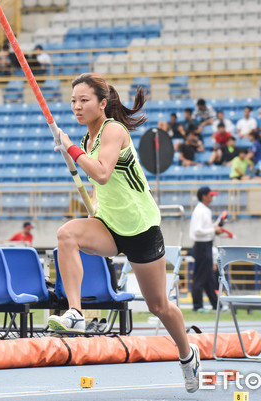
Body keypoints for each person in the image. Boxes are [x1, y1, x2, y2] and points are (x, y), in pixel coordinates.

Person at [48, 73, 201, 393]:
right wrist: (91, 195)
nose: (76, 106)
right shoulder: (88, 140)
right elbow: (101, 188)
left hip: (141, 228)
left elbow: (103, 174)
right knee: (67, 235)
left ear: (102, 104)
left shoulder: (113, 131)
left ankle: (187, 355)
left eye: (84, 100)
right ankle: (75, 312)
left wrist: (71, 149)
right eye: (73, 101)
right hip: (110, 226)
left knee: (159, 305)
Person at [189, 186, 223, 313]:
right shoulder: (200, 211)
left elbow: (205, 230)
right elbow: (197, 231)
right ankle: (197, 306)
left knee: (209, 278)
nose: (212, 197)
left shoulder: (204, 210)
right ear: (204, 196)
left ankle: (216, 305)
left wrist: (215, 228)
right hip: (201, 246)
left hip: (206, 245)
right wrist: (214, 229)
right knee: (200, 278)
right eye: (211, 195)